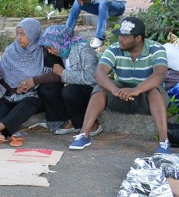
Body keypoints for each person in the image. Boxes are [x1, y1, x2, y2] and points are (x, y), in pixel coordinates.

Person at [69, 17, 170, 154]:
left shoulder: (156, 49)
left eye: (125, 36)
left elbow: (159, 74)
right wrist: (115, 90)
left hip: (147, 97)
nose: (120, 39)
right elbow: (99, 72)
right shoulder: (114, 49)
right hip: (121, 95)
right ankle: (84, 135)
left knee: (154, 90)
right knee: (100, 88)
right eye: (120, 35)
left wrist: (136, 90)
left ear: (138, 39)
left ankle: (164, 142)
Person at [0, 18, 67, 147]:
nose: (19, 38)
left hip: (37, 94)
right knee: (4, 102)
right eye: (17, 34)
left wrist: (34, 81)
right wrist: (14, 90)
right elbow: (1, 75)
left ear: (33, 34)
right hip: (15, 92)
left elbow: (57, 75)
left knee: (29, 102)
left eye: (23, 34)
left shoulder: (45, 51)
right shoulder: (11, 51)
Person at [37, 24, 99, 136]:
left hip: (91, 91)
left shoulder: (83, 50)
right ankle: (67, 121)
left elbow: (91, 77)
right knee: (47, 88)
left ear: (58, 42)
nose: (49, 51)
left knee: (69, 91)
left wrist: (64, 73)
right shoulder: (61, 52)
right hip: (73, 87)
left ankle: (91, 125)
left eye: (50, 47)